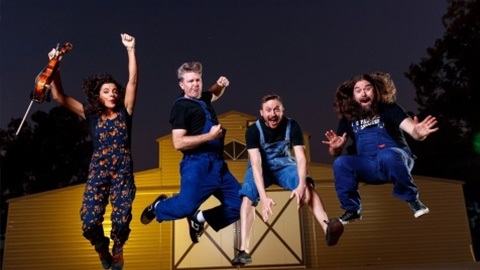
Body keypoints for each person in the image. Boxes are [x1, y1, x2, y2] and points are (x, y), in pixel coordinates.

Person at [49, 33, 138, 270]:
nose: (112, 94)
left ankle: (118, 248)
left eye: (113, 91)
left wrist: (131, 50)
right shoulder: (90, 114)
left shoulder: (125, 112)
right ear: (98, 96)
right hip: (98, 171)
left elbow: (132, 82)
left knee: (120, 220)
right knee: (88, 222)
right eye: (106, 91)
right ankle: (101, 248)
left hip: (122, 171)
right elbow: (58, 96)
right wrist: (55, 66)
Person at [232, 94, 344, 266]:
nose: (273, 114)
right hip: (261, 168)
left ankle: (327, 227)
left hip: (285, 165)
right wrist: (263, 196)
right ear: (262, 113)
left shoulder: (293, 126)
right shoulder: (253, 131)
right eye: (268, 110)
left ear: (282, 111)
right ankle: (244, 251)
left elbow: (301, 157)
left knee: (306, 187)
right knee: (247, 197)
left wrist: (300, 185)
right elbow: (255, 164)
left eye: (277, 109)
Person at [140, 61, 242, 245]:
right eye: (190, 81)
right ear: (181, 84)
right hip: (197, 164)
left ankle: (199, 218)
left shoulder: (202, 98)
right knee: (185, 207)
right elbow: (178, 142)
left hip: (218, 165)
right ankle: (158, 207)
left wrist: (220, 85)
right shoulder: (181, 107)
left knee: (242, 204)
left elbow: (214, 94)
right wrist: (209, 136)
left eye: (198, 80)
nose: (195, 84)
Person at [323, 72, 439, 225]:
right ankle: (352, 210)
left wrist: (418, 132)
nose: (363, 93)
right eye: (358, 91)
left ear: (376, 90)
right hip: (369, 165)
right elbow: (334, 153)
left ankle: (413, 200)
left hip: (397, 159)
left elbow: (413, 131)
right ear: (353, 96)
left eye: (367, 88)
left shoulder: (389, 109)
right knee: (341, 163)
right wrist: (335, 147)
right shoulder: (349, 118)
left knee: (387, 155)